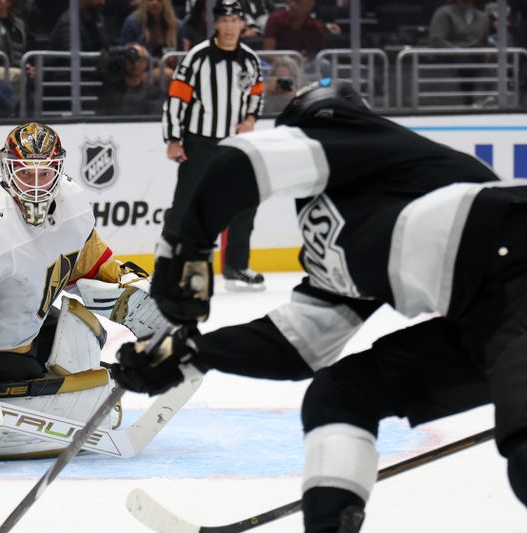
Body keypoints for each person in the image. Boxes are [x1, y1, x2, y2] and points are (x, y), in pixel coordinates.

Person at [111, 79, 527, 532]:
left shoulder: (352, 133)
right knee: (340, 394)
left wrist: (183, 252)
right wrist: (194, 353)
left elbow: (236, 162)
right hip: (482, 320)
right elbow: (297, 345)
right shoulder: (341, 227)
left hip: (517, 273)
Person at [0, 122, 168, 462]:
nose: (36, 185)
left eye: (45, 173)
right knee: (23, 377)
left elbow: (87, 262)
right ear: (8, 170)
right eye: (26, 173)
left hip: (14, 313)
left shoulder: (73, 203)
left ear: (59, 169)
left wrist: (134, 290)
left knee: (85, 338)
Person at [162, 0, 266, 291]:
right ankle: (170, 266)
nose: (230, 27)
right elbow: (176, 100)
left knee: (245, 202)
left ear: (242, 25)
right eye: (225, 20)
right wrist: (173, 139)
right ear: (216, 23)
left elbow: (257, 94)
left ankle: (236, 266)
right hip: (200, 142)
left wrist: (250, 118)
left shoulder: (250, 59)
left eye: (235, 21)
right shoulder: (197, 58)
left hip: (234, 144)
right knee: (186, 205)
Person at [263, 0, 340, 78]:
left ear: (310, 5)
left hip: (303, 67)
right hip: (277, 64)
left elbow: (317, 54)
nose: (292, 5)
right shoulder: (275, 19)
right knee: (283, 71)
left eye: (297, 2)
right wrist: (288, 62)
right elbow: (268, 53)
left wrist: (305, 60)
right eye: (292, 1)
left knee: (324, 65)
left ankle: (325, 89)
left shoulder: (315, 27)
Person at [97, 42, 164, 115]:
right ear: (123, 61)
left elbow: (153, 118)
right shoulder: (110, 93)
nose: (134, 62)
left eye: (139, 59)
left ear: (146, 63)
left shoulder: (154, 93)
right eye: (130, 58)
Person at [119, 0, 187, 59]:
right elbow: (125, 52)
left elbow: (180, 55)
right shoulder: (132, 23)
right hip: (140, 70)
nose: (154, 2)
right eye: (150, 0)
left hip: (172, 70)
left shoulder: (177, 26)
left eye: (159, 0)